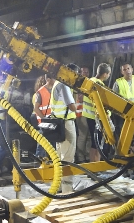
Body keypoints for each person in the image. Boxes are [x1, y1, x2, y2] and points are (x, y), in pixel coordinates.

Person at [50, 63, 80, 193]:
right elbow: (72, 106)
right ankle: (67, 189)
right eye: (76, 74)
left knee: (59, 157)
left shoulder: (56, 84)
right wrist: (80, 101)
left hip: (58, 123)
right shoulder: (64, 85)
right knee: (68, 157)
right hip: (66, 124)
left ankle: (59, 186)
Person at [82, 63, 111, 163]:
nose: (108, 76)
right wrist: (107, 116)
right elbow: (101, 104)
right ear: (105, 74)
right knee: (98, 143)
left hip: (89, 116)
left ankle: (92, 164)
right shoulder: (99, 85)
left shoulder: (90, 81)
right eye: (108, 74)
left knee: (94, 142)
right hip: (96, 118)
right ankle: (97, 166)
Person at [32, 74, 53, 159]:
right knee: (42, 145)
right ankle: (39, 164)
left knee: (48, 146)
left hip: (51, 122)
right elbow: (36, 109)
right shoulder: (39, 93)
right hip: (43, 123)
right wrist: (45, 119)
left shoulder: (54, 90)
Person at [74, 67, 91, 163]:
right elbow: (79, 98)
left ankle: (87, 156)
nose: (85, 73)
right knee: (83, 135)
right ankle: (80, 158)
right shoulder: (78, 84)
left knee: (89, 136)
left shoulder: (88, 83)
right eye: (83, 72)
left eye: (87, 72)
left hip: (88, 112)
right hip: (80, 112)